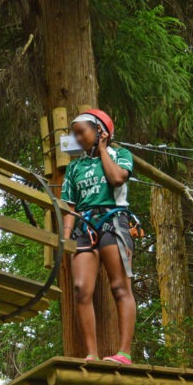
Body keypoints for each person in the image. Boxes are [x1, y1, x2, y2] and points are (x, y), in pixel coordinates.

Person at [61, 109, 138, 364]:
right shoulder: (74, 167)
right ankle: (91, 354)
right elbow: (70, 207)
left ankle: (124, 353)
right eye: (75, 134)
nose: (78, 138)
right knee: (81, 289)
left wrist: (103, 149)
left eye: (82, 132)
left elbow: (117, 179)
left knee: (119, 286)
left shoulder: (121, 155)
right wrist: (66, 237)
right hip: (84, 227)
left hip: (113, 222)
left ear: (100, 131)